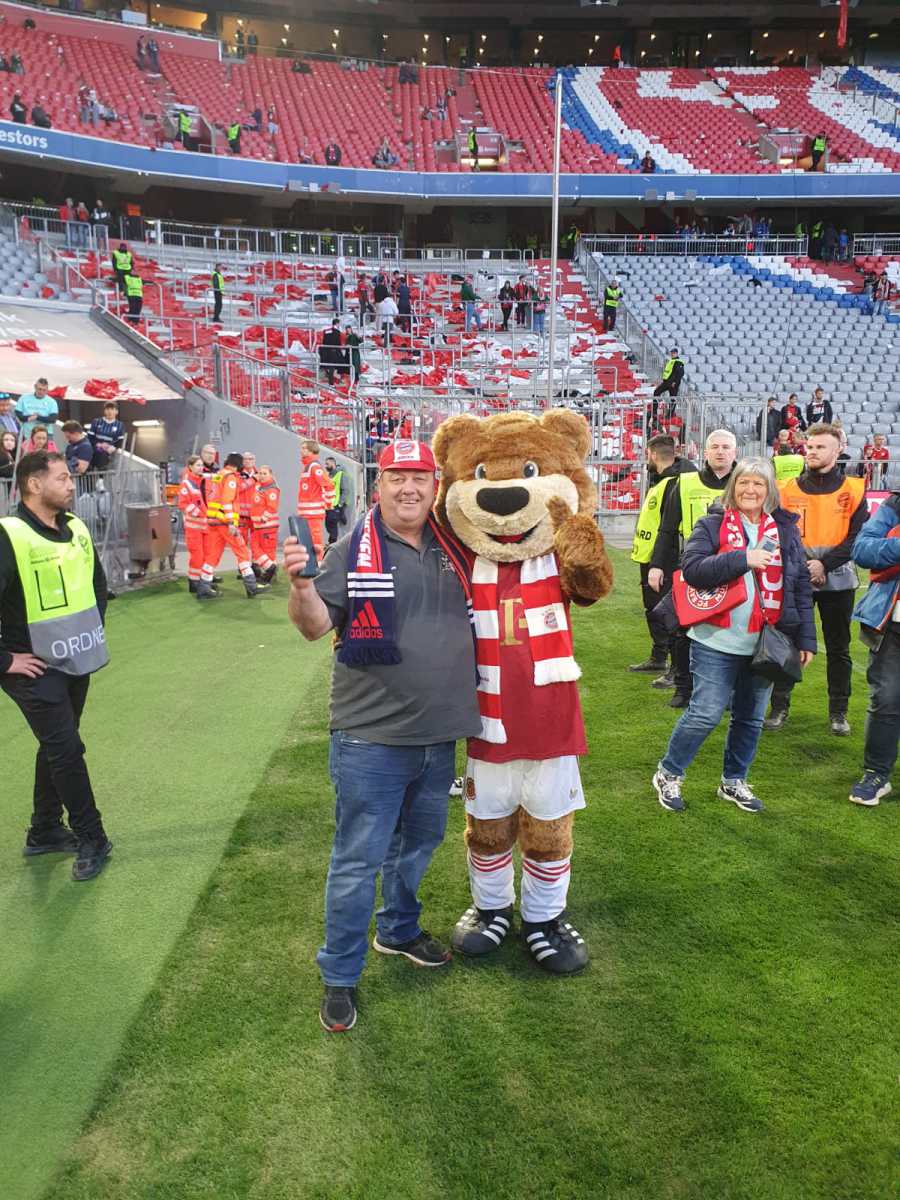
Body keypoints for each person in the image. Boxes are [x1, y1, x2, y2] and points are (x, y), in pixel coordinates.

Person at [285, 438, 480, 1033]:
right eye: (397, 476)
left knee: (417, 846)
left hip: (438, 737)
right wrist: (300, 587)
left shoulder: (456, 544)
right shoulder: (352, 548)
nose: (409, 488)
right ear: (379, 485)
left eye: (420, 477)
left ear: (435, 486)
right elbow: (316, 628)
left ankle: (397, 930)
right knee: (357, 861)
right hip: (370, 739)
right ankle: (340, 975)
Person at [651, 457, 816, 814]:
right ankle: (668, 773)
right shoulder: (712, 523)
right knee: (705, 714)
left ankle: (733, 781)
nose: (750, 490)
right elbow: (692, 569)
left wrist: (806, 638)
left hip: (765, 643)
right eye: (743, 482)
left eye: (758, 483)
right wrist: (743, 558)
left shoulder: (785, 530)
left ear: (770, 490)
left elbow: (800, 584)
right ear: (733, 487)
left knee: (750, 717)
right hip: (715, 640)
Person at [0, 450, 113, 879]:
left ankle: (44, 830)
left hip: (75, 659)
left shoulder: (75, 527)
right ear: (34, 484)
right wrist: (6, 660)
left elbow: (97, 584)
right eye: (63, 478)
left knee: (58, 745)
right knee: (67, 750)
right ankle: (93, 837)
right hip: (33, 668)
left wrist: (89, 632)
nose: (71, 484)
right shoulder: (8, 535)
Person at [764, 423, 868, 736]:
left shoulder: (855, 489)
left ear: (838, 450)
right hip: (795, 579)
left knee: (838, 648)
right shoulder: (785, 489)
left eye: (820, 447)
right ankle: (779, 707)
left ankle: (838, 712)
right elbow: (776, 533)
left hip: (839, 580)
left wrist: (823, 564)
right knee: (787, 643)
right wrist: (804, 565)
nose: (812, 452)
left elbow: (857, 538)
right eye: (809, 446)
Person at [648, 429, 738, 706]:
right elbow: (667, 528)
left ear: (735, 452)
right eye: (715, 447)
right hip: (691, 566)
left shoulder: (745, 482)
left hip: (734, 567)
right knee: (682, 629)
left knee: (731, 631)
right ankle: (683, 688)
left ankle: (729, 693)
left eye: (726, 447)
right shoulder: (685, 482)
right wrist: (656, 565)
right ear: (705, 452)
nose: (720, 452)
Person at [848, 491, 900, 806]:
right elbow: (863, 550)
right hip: (893, 623)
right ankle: (877, 773)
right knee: (886, 700)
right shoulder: (895, 505)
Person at [630, 434, 695, 677]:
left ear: (654, 454)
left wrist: (659, 562)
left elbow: (669, 527)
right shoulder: (665, 480)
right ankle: (659, 657)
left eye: (647, 454)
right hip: (652, 556)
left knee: (667, 612)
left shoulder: (674, 483)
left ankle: (673, 666)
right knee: (654, 609)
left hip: (664, 557)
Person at [199, 453, 264, 599]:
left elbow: (211, 494)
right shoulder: (230, 477)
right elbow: (227, 501)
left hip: (214, 521)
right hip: (224, 522)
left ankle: (204, 586)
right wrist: (231, 522)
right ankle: (251, 586)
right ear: (238, 464)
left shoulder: (219, 475)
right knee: (242, 551)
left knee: (213, 555)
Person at [177, 455, 213, 595]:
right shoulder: (187, 484)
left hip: (205, 526)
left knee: (206, 555)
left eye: (201, 465)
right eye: (198, 465)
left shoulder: (203, 481)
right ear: (190, 467)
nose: (200, 468)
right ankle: (194, 582)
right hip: (194, 527)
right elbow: (183, 504)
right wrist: (199, 513)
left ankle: (203, 582)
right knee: (197, 556)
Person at [297, 439, 334, 558]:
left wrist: (328, 504)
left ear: (311, 450)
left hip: (313, 513)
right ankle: (311, 563)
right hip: (307, 512)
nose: (301, 450)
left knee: (315, 540)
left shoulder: (314, 467)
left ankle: (318, 563)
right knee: (308, 540)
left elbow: (329, 485)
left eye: (304, 448)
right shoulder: (307, 466)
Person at [249, 464, 279, 584]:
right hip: (259, 526)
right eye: (260, 473)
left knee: (267, 551)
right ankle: (269, 571)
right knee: (256, 548)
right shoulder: (260, 487)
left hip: (267, 526)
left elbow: (272, 507)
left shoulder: (272, 489)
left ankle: (270, 574)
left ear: (271, 475)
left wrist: (263, 519)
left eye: (264, 473)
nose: (261, 475)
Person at [15, 379, 58, 445]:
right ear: (35, 387)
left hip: (46, 435)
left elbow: (52, 419)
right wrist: (31, 417)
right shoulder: (24, 398)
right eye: (39, 389)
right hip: (28, 434)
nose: (41, 392)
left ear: (47, 390)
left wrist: (37, 417)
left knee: (45, 452)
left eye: (44, 390)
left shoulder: (52, 401)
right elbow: (19, 415)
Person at [86, 402, 125, 470]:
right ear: (104, 411)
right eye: (107, 409)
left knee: (102, 457)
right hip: (95, 448)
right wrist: (98, 444)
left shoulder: (120, 425)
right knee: (90, 456)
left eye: (112, 409)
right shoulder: (96, 421)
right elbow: (89, 437)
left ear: (116, 411)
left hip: (107, 450)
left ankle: (101, 475)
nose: (109, 411)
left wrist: (113, 447)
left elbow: (120, 441)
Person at [651, 349, 685, 427]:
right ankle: (654, 411)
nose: (672, 354)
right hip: (667, 382)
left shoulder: (679, 362)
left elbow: (680, 373)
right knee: (656, 392)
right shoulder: (671, 361)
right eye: (671, 353)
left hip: (673, 384)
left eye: (674, 353)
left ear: (677, 353)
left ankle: (670, 414)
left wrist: (675, 382)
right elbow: (668, 373)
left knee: (673, 398)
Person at [324, 455, 346, 546]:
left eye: (327, 464)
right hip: (328, 505)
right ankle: (332, 543)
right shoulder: (328, 475)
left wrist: (340, 504)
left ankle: (332, 543)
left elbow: (344, 490)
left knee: (332, 525)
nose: (325, 466)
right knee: (328, 525)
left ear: (333, 464)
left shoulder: (340, 474)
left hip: (335, 504)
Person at [319, 320, 344, 386]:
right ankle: (332, 382)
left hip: (326, 351)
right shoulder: (337, 332)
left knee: (330, 366)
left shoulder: (326, 331)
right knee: (334, 366)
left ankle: (331, 379)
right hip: (334, 351)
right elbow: (338, 343)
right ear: (337, 324)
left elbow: (324, 341)